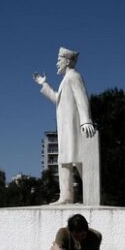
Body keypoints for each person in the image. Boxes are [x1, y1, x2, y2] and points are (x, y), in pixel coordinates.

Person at [34, 47, 101, 205]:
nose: (57, 63)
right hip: (65, 128)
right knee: (64, 159)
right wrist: (44, 85)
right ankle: (66, 196)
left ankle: (90, 195)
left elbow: (82, 98)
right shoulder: (66, 80)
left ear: (67, 61)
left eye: (59, 60)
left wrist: (86, 120)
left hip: (73, 127)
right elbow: (58, 99)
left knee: (77, 159)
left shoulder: (74, 77)